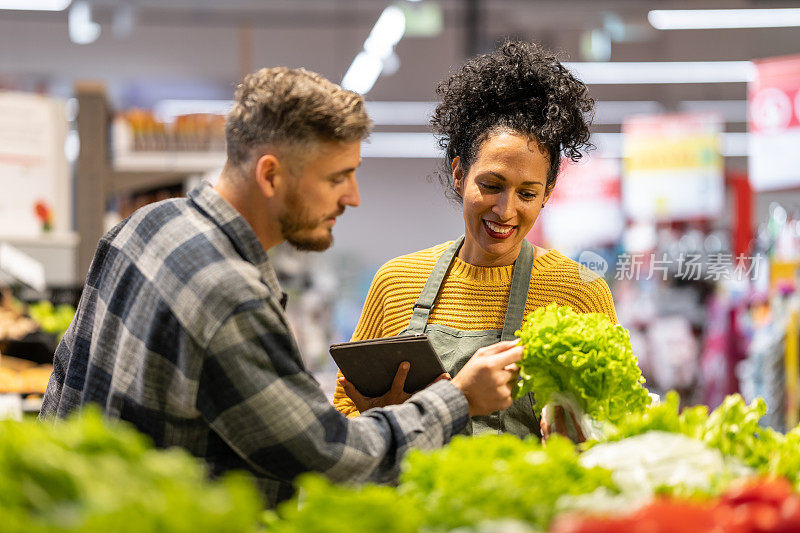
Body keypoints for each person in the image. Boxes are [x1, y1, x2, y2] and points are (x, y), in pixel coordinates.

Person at [40, 66, 523, 507]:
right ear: (270, 174)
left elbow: (64, 384)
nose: (352, 198)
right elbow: (332, 459)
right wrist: (458, 398)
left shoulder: (144, 224)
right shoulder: (230, 294)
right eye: (338, 178)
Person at [333, 41, 616, 438]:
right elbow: (344, 416)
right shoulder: (396, 283)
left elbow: (613, 432)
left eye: (528, 193)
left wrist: (581, 437)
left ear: (548, 193)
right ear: (458, 173)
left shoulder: (579, 292)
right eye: (491, 185)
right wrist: (389, 422)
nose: (505, 210)